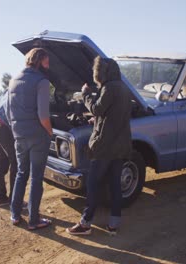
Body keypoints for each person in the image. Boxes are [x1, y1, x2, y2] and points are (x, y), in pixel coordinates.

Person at [66, 56, 132, 236]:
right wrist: (101, 119)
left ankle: (85, 224)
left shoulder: (109, 88)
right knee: (115, 185)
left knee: (93, 184)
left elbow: (96, 109)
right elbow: (114, 113)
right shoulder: (124, 88)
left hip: (105, 146)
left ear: (100, 72)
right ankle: (113, 225)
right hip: (121, 145)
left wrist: (86, 93)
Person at [8, 48, 53, 230]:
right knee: (36, 178)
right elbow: (43, 115)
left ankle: (15, 214)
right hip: (37, 135)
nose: (48, 65)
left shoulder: (13, 80)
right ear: (41, 60)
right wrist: (49, 132)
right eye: (47, 61)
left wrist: (16, 131)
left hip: (19, 134)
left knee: (21, 173)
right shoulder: (41, 82)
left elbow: (9, 111)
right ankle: (34, 220)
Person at [0, 92, 19, 207]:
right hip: (5, 129)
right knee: (16, 161)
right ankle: (15, 200)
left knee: (2, 162)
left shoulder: (9, 91)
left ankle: (0, 198)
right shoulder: (17, 92)